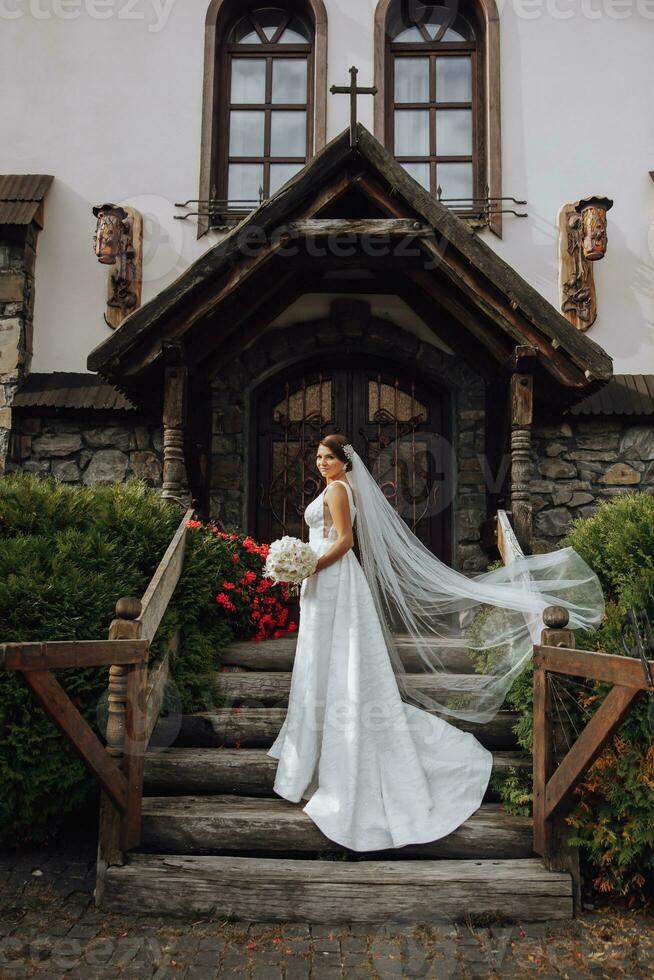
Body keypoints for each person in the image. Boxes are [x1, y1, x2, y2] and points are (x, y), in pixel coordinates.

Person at [267, 433, 604, 852]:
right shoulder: (336, 487)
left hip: (331, 578)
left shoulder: (338, 489)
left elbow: (345, 542)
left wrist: (308, 565)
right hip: (321, 581)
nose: (321, 463)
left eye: (328, 457)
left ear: (343, 462)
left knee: (335, 659)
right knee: (323, 659)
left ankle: (329, 757)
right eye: (317, 457)